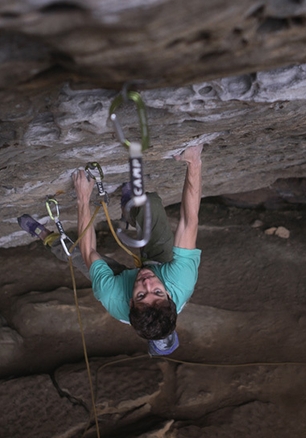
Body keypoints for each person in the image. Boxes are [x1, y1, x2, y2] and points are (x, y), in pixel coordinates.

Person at [18, 144, 203, 351]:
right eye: (158, 292)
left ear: (130, 304)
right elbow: (189, 221)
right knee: (150, 204)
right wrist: (194, 161)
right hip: (161, 264)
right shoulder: (181, 281)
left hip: (123, 283)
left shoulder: (112, 296)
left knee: (77, 255)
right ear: (169, 296)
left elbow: (90, 252)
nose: (147, 283)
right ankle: (129, 206)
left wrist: (83, 198)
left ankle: (46, 236)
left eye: (141, 295)